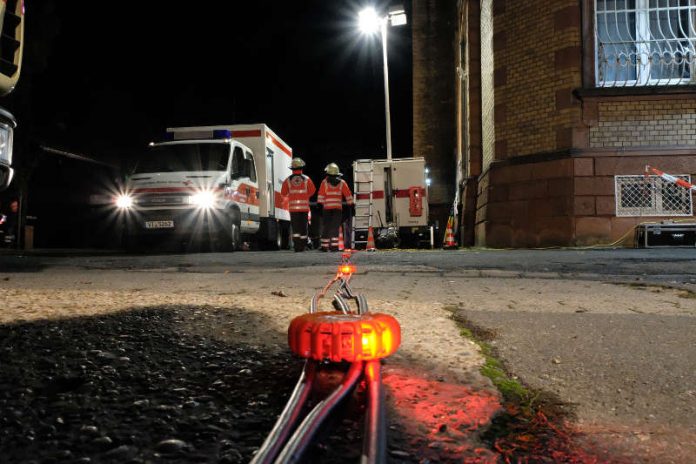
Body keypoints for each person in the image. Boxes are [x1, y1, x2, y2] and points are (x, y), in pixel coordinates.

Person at [280, 157, 316, 252]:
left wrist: (291, 196)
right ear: (301, 168)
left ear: (292, 169)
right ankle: (303, 246)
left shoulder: (287, 180)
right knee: (303, 228)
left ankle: (297, 247)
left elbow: (283, 193)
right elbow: (312, 191)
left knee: (296, 229)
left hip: (293, 209)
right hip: (304, 208)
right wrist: (305, 196)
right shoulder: (307, 179)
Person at [317, 163, 354, 252]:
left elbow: (321, 195)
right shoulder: (342, 183)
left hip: (327, 209)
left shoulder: (324, 182)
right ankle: (334, 247)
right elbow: (348, 195)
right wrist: (351, 206)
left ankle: (324, 247)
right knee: (335, 227)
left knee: (326, 227)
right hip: (337, 209)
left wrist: (319, 205)